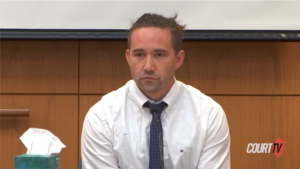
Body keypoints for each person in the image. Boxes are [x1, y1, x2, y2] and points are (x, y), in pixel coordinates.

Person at [81, 13, 230, 169]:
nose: (148, 67)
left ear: (178, 59)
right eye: (139, 55)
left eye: (159, 55)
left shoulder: (209, 115)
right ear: (128, 58)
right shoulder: (102, 116)